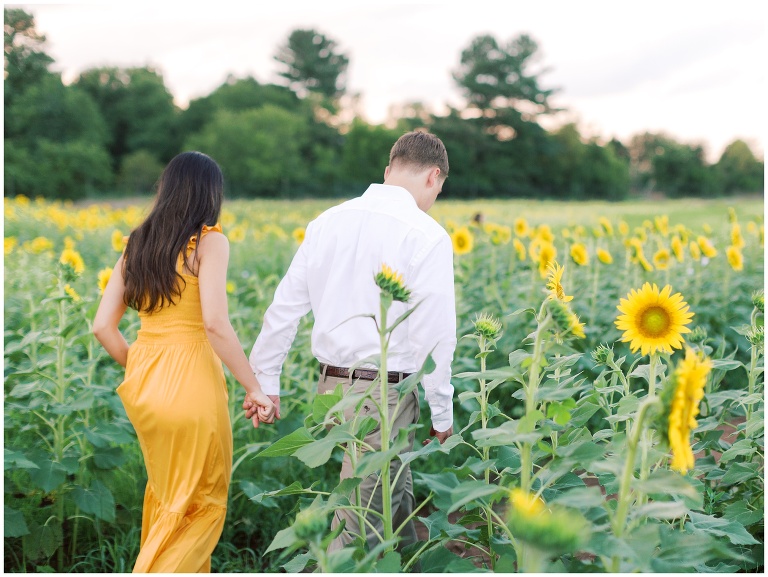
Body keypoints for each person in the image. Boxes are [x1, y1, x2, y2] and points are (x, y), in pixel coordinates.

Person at [245, 130, 456, 554]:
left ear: (388, 170)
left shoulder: (327, 221)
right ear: (434, 177)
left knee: (392, 493)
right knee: (362, 526)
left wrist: (265, 379)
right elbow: (434, 334)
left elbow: (285, 307)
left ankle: (411, 561)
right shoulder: (427, 234)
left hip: (332, 390)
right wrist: (442, 409)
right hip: (385, 394)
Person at [93, 151, 276, 573]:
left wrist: (141, 371)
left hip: (146, 386)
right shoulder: (209, 242)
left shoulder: (136, 242)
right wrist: (254, 387)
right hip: (193, 382)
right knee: (202, 503)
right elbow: (214, 323)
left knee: (168, 497)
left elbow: (103, 326)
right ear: (211, 194)